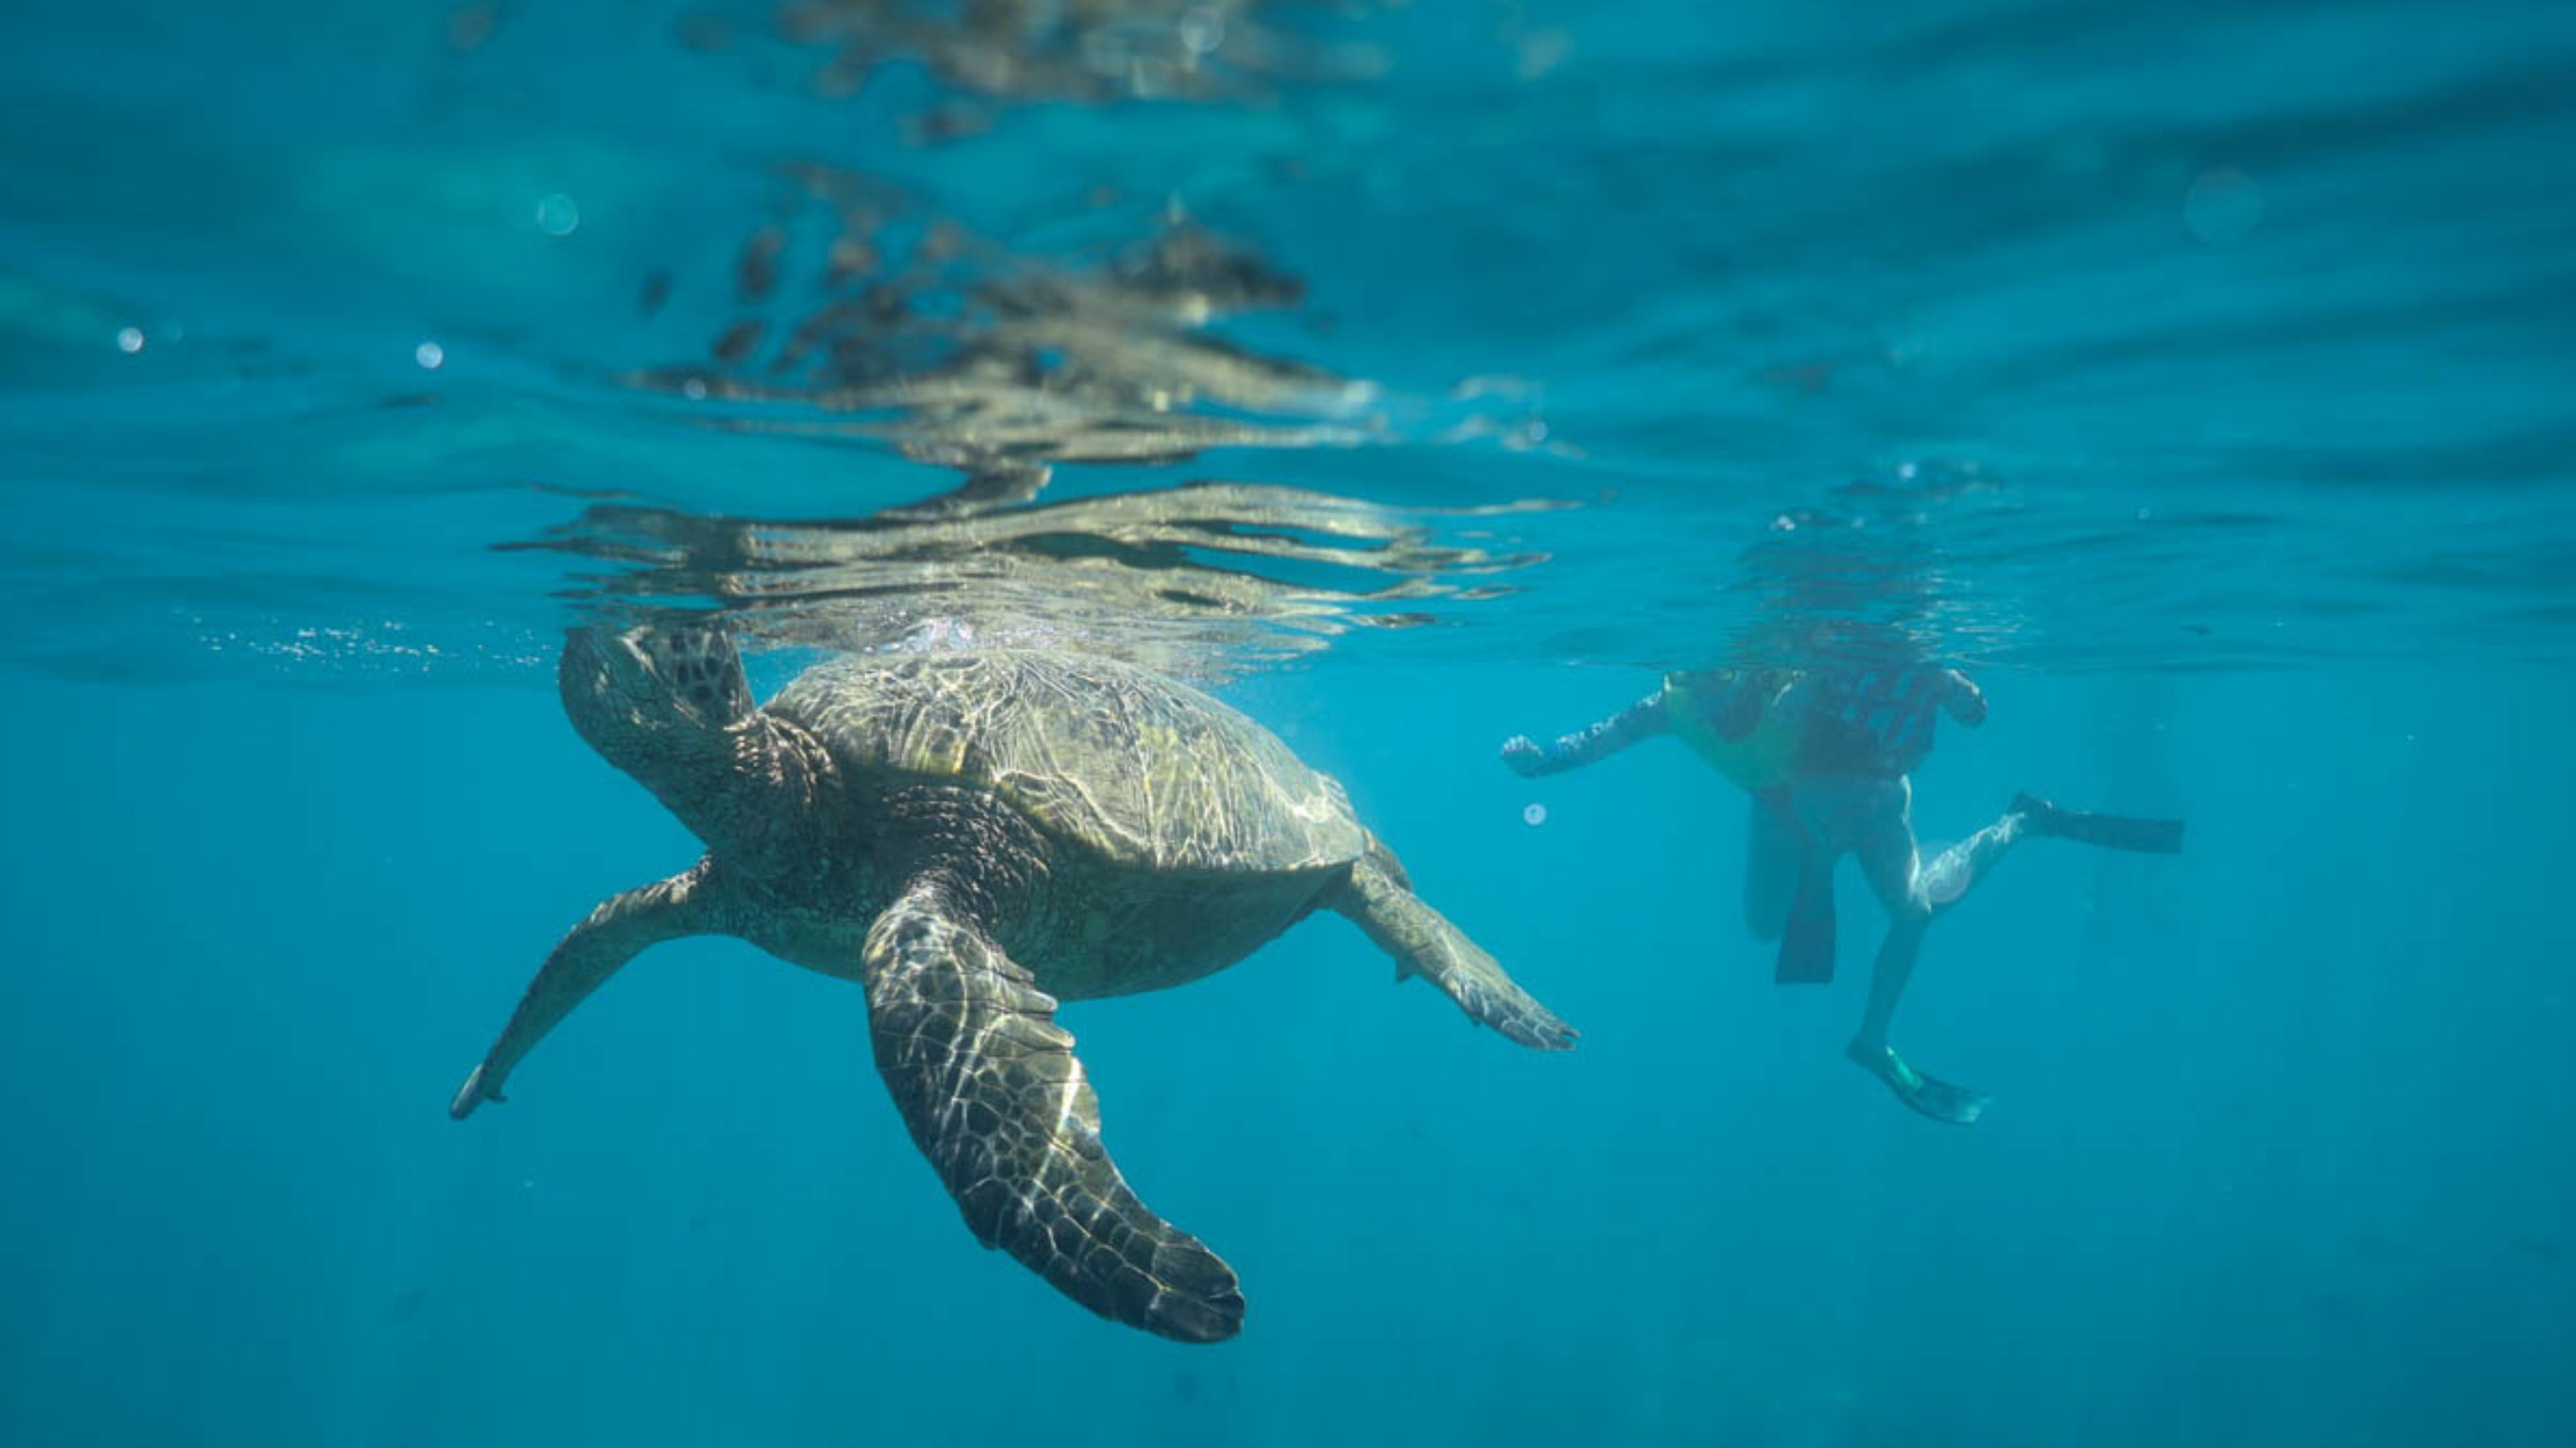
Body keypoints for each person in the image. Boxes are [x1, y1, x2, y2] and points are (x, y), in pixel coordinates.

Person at [1501, 658, 2181, 1124]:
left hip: (1862, 800)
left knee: (1912, 913)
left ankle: (2014, 832)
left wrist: (1944, 685)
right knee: (1766, 926)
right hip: (1786, 813)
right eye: (1705, 681)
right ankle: (2020, 822)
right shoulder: (1674, 706)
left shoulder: (1776, 676)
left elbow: (1877, 675)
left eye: (1724, 679)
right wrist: (1544, 764)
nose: (1719, 695)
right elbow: (1605, 736)